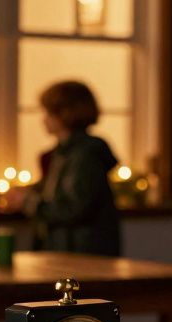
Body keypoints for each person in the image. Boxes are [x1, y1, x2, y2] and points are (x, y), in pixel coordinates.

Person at [7, 80, 122, 256]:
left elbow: (73, 208)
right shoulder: (62, 154)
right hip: (65, 250)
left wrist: (27, 201)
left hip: (82, 253)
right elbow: (55, 189)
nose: (43, 119)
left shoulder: (85, 156)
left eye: (48, 113)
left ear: (64, 114)